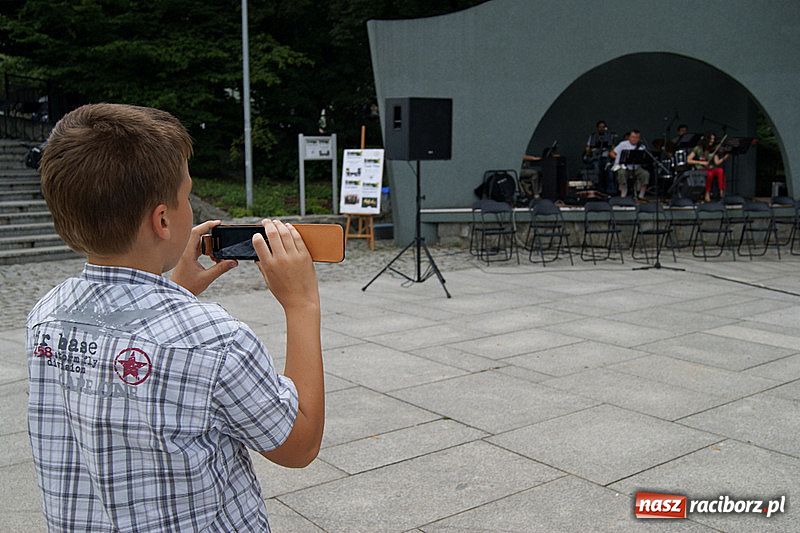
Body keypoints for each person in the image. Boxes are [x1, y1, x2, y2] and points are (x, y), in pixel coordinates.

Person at [29, 103, 325, 532]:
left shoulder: (45, 315)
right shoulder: (215, 341)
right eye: (186, 195)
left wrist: (176, 289)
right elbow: (297, 445)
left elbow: (126, 360)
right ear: (163, 220)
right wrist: (301, 305)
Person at [687, 131, 730, 202]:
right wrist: (701, 162)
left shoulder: (713, 149)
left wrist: (724, 158)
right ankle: (707, 193)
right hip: (701, 169)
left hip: (710, 168)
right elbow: (688, 160)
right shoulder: (698, 148)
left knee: (720, 171)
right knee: (709, 174)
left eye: (713, 139)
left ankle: (721, 193)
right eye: (711, 139)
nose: (712, 141)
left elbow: (717, 162)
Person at [608, 129, 650, 199]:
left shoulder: (642, 147)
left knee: (645, 174)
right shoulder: (623, 144)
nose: (634, 139)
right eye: (633, 137)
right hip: (624, 166)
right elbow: (612, 153)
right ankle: (623, 193)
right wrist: (619, 158)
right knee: (621, 173)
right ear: (629, 137)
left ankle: (641, 195)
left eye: (636, 138)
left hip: (636, 167)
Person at [584, 120, 615, 193]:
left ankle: (610, 191)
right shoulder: (592, 136)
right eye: (600, 127)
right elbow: (588, 149)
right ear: (597, 128)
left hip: (606, 158)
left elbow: (613, 148)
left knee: (610, 171)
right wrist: (590, 150)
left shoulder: (609, 136)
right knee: (597, 169)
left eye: (603, 127)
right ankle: (597, 189)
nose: (602, 128)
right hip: (595, 158)